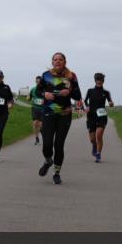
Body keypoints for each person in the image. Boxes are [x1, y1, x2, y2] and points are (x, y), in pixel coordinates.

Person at [35, 52, 83, 184]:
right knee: (47, 144)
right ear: (52, 62)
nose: (58, 62)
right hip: (48, 113)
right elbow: (37, 91)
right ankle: (48, 160)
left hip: (64, 114)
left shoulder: (71, 76)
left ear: (65, 62)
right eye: (55, 59)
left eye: (60, 59)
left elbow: (78, 95)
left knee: (59, 145)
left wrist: (70, 91)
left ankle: (56, 173)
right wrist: (45, 94)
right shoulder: (45, 75)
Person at [84, 72, 115, 163]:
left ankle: (98, 154)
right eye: (97, 80)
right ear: (95, 81)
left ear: (103, 81)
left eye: (101, 80)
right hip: (91, 116)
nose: (99, 81)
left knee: (99, 135)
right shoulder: (90, 91)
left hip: (102, 116)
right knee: (92, 139)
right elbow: (85, 101)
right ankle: (94, 146)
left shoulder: (106, 92)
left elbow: (110, 102)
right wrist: (87, 106)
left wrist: (111, 104)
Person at [29, 75, 44, 145]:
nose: (38, 83)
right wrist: (28, 98)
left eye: (39, 81)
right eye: (37, 81)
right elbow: (29, 97)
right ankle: (36, 138)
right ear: (35, 81)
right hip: (35, 108)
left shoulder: (44, 89)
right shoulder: (33, 89)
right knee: (35, 123)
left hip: (43, 108)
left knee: (41, 124)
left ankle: (42, 133)